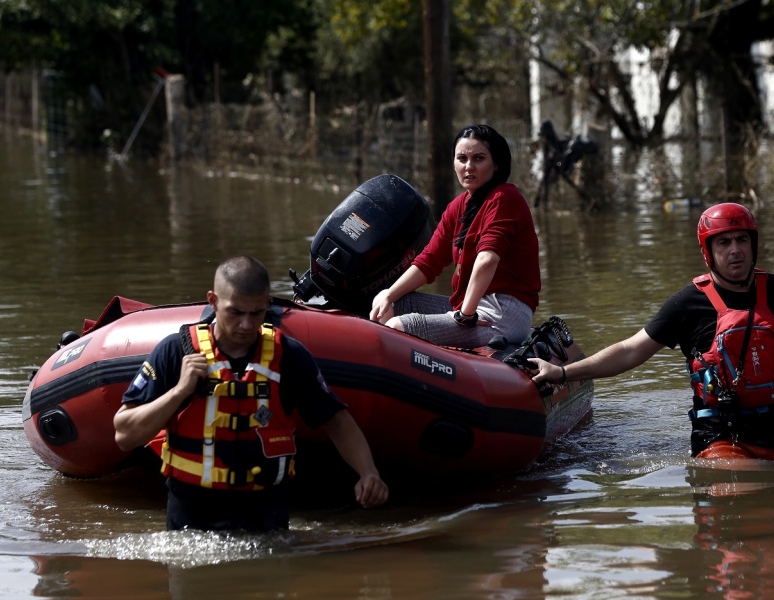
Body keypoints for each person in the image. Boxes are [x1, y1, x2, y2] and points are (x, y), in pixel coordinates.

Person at [529, 203, 774, 460]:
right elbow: (631, 350)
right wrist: (562, 372)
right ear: (708, 251)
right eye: (725, 242)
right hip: (720, 440)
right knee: (743, 505)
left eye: (742, 240)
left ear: (753, 244)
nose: (735, 250)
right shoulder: (688, 304)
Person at [114, 256, 388, 531]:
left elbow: (337, 421)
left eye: (256, 313)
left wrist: (368, 472)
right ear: (213, 301)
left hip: (266, 518)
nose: (246, 324)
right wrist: (179, 391)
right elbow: (124, 435)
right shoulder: (177, 351)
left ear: (268, 303)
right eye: (236, 312)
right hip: (192, 522)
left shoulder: (289, 356)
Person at [369, 124, 541, 348]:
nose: (469, 166)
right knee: (386, 303)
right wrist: (389, 295)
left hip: (502, 313)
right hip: (467, 308)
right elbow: (429, 260)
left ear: (496, 164)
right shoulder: (458, 206)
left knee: (398, 327)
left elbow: (487, 260)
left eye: (479, 158)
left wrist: (466, 314)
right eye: (462, 159)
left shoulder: (504, 197)